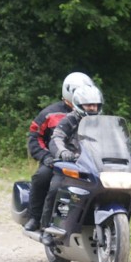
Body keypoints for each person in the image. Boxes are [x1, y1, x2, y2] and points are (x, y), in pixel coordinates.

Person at [23, 72, 96, 232]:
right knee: (41, 177)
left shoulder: (93, 114)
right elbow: (35, 138)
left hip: (86, 161)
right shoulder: (49, 114)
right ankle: (35, 217)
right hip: (56, 160)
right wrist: (46, 157)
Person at [40, 84, 104, 233]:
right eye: (88, 105)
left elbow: (117, 141)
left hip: (96, 166)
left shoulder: (103, 123)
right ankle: (46, 227)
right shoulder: (69, 120)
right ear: (79, 105)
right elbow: (57, 137)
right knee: (55, 188)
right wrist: (63, 151)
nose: (93, 108)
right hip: (73, 165)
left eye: (95, 105)